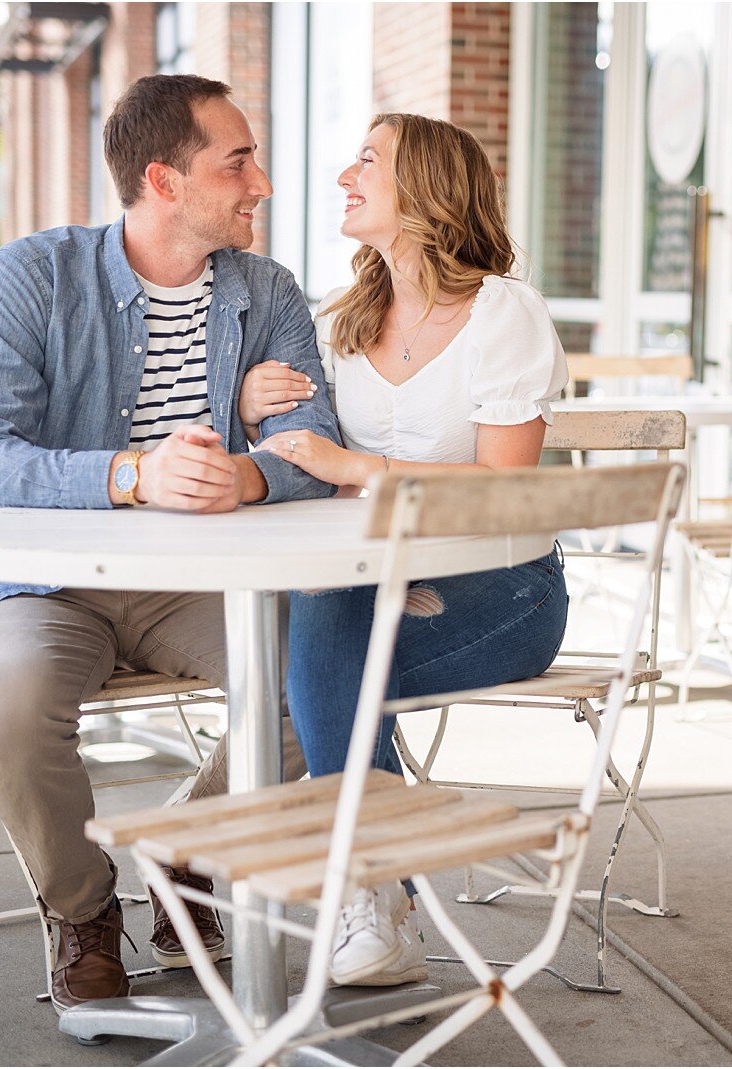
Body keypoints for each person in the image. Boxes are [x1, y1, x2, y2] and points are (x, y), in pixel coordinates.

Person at [0, 74, 336, 1014]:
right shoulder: (33, 275)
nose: (260, 183)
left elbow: (315, 447)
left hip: (199, 581)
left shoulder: (266, 292)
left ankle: (184, 848)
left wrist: (250, 473)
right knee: (7, 698)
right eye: (238, 162)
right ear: (164, 178)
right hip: (39, 585)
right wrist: (129, 473)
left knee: (316, 672)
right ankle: (83, 912)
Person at [241, 113, 570, 988]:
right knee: (315, 636)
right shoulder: (345, 318)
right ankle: (378, 896)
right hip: (373, 584)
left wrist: (361, 467)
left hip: (502, 590)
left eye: (368, 160)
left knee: (299, 671)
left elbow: (506, 484)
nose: (345, 174)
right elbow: (297, 446)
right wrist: (249, 407)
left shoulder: (504, 313)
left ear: (424, 187)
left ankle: (327, 889)